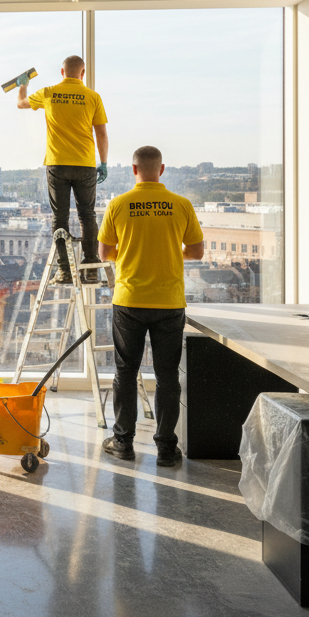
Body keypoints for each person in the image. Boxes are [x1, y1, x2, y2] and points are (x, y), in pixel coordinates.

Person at [97, 145, 204, 467]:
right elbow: (196, 252)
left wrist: (130, 255)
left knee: (125, 374)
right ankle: (166, 449)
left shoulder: (118, 204)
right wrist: (173, 253)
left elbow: (105, 253)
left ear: (134, 170)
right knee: (167, 376)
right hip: (168, 302)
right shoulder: (181, 204)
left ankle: (123, 443)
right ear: (161, 169)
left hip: (129, 301)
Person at [17, 55, 109, 283]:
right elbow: (101, 133)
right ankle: (90, 267)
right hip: (85, 164)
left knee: (60, 218)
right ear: (83, 73)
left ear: (62, 72)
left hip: (57, 163)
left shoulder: (48, 93)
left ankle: (65, 270)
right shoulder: (92, 97)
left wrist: (23, 86)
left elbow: (22, 103)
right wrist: (104, 162)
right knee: (87, 216)